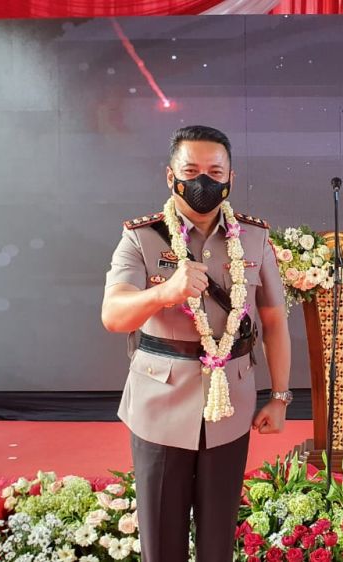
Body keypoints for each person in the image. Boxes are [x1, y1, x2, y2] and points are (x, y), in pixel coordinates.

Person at [101, 125, 293, 562]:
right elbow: (113, 315)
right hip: (160, 403)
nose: (203, 181)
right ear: (171, 177)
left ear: (230, 178)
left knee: (217, 537)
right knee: (162, 540)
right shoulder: (141, 236)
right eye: (191, 170)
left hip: (231, 402)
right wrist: (164, 293)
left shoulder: (255, 237)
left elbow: (274, 321)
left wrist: (280, 397)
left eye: (214, 171)